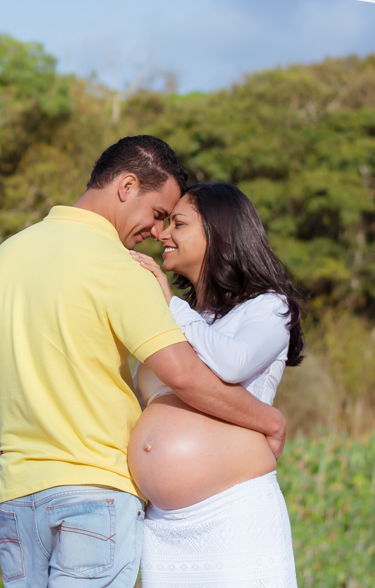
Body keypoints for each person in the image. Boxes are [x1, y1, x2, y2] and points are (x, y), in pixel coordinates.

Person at [0, 136, 286, 588]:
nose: (157, 233)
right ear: (127, 185)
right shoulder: (118, 268)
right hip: (94, 494)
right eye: (157, 214)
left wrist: (5, 450)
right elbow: (184, 376)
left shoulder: (1, 258)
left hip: (20, 496)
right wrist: (269, 422)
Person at [127, 182, 304, 587]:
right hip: (163, 526)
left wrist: (171, 304)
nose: (163, 234)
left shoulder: (269, 307)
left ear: (220, 232)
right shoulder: (183, 316)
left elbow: (231, 363)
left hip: (232, 512)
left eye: (179, 223)